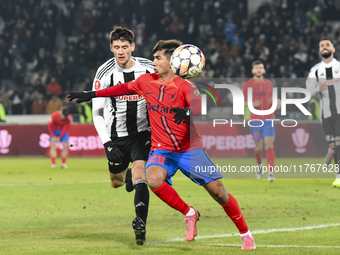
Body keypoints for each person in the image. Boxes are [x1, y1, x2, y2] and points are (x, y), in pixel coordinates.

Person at [68, 39, 256, 250]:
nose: (154, 61)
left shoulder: (186, 85)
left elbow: (198, 106)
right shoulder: (146, 81)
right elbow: (120, 89)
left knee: (219, 192)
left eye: (158, 58)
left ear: (172, 61)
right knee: (153, 179)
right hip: (162, 149)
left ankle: (245, 234)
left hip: (189, 149)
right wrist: (91, 94)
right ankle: (189, 213)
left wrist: (187, 112)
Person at [90, 27, 154, 245]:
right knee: (116, 182)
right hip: (117, 135)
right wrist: (107, 144)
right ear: (111, 48)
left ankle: (140, 223)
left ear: (133, 47)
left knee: (140, 172)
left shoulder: (148, 68)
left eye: (125, 47)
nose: (120, 51)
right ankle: (127, 178)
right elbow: (97, 112)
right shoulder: (104, 73)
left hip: (143, 133)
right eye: (116, 47)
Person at [306, 38, 340, 188]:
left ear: (333, 49)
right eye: (322, 46)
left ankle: (339, 175)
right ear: (320, 50)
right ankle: (330, 153)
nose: (324, 47)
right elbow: (308, 91)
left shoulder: (339, 66)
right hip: (325, 115)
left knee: (339, 144)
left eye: (327, 45)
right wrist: (318, 88)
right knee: (333, 145)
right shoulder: (315, 70)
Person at [242, 60, 279, 182]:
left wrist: (277, 102)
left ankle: (270, 172)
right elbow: (240, 102)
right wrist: (251, 104)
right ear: (253, 71)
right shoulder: (247, 85)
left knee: (269, 144)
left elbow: (272, 98)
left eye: (261, 68)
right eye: (256, 68)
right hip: (255, 119)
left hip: (269, 118)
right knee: (258, 147)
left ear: (264, 70)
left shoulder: (269, 84)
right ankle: (259, 165)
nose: (259, 70)